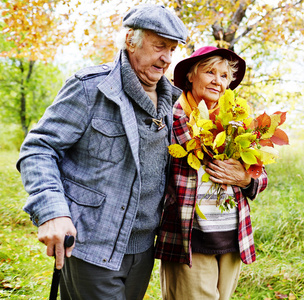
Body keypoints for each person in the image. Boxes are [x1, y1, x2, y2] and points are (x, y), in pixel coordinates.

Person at [16, 4, 188, 299]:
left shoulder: (172, 101)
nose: (166, 58)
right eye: (160, 46)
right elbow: (38, 148)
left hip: (143, 249)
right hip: (92, 246)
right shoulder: (91, 88)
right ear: (131, 41)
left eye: (171, 49)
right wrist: (52, 212)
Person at [155, 46, 269, 300]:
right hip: (189, 239)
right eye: (210, 72)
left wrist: (246, 178)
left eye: (224, 76)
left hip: (231, 238)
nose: (217, 81)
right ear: (191, 76)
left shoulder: (238, 123)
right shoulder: (170, 119)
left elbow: (262, 178)